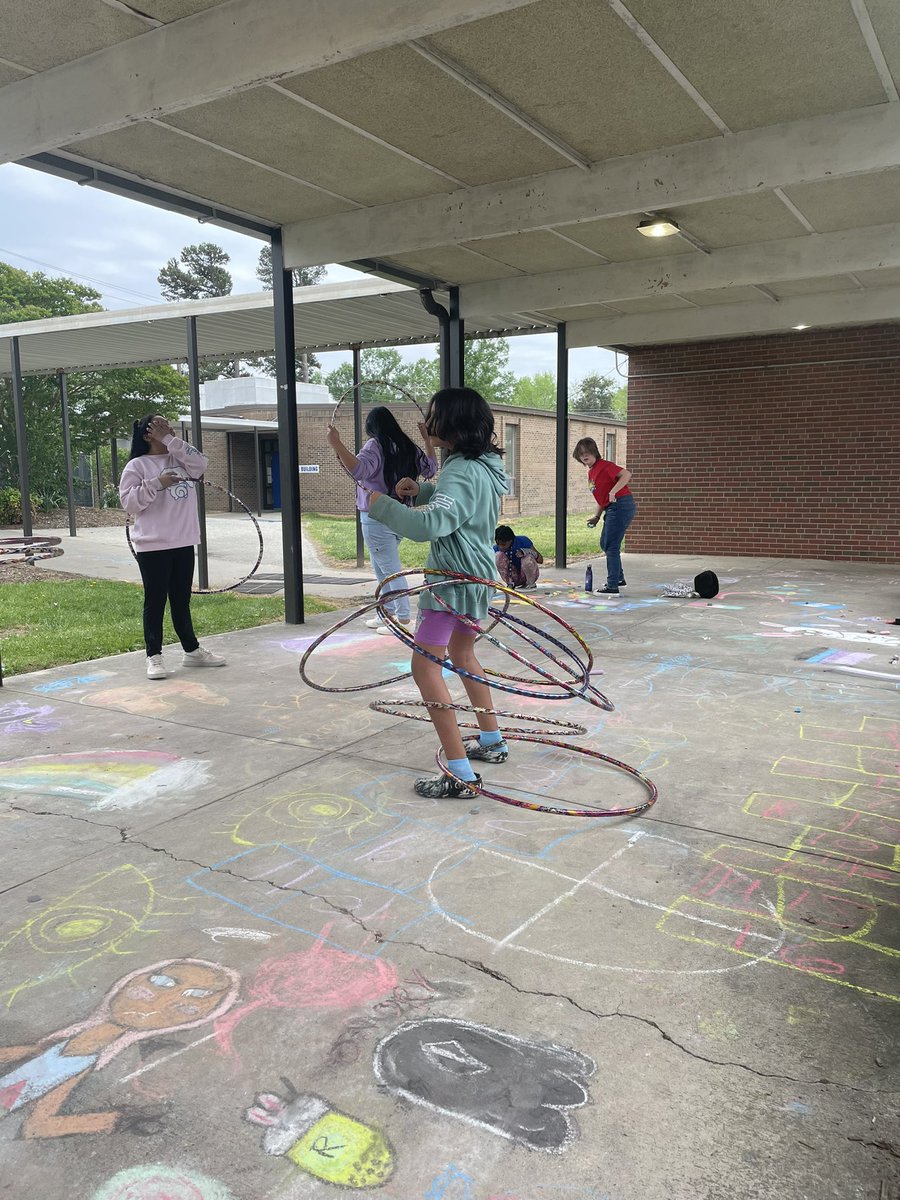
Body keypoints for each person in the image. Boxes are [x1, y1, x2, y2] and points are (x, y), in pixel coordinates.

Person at [367, 387, 510, 798]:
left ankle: (460, 774)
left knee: (425, 668)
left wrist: (380, 504)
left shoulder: (458, 469)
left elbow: (431, 525)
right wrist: (423, 492)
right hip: (476, 577)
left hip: (451, 582)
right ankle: (491, 741)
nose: (426, 423)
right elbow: (463, 506)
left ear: (452, 423)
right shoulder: (483, 464)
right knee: (463, 656)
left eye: (433, 415)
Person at [0, 959, 239, 1138]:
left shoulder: (85, 1061)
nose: (163, 999)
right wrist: (121, 1118)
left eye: (197, 995)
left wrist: (121, 1119)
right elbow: (37, 1125)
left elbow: (38, 1124)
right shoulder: (69, 1051)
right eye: (162, 982)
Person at [119, 414, 226, 679]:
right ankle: (154, 656)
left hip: (183, 541)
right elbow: (129, 504)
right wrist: (158, 483)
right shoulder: (136, 466)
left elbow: (201, 463)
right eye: (160, 425)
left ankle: (192, 650)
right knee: (155, 601)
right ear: (147, 434)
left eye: (168, 425)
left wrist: (169, 439)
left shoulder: (180, 458)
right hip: (153, 545)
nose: (168, 428)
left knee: (181, 600)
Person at [326, 407, 437, 635]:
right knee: (381, 567)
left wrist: (336, 443)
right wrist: (427, 441)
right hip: (400, 515)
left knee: (389, 569)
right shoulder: (406, 445)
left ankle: (402, 618)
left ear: (372, 427)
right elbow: (431, 469)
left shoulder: (375, 445)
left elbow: (358, 471)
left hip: (376, 515)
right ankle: (386, 612)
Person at [573, 436, 636, 595]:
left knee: (611, 545)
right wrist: (597, 516)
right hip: (611, 507)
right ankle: (618, 578)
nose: (584, 456)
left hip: (620, 505)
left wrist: (613, 491)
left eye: (587, 452)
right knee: (605, 543)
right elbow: (603, 498)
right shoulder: (592, 472)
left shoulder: (605, 466)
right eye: (581, 454)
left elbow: (626, 474)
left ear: (594, 452)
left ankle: (612, 586)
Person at [494, 525, 543, 590]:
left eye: (503, 544)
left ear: (511, 540)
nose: (501, 547)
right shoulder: (496, 548)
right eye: (498, 544)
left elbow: (540, 560)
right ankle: (510, 583)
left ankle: (530, 584)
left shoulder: (523, 541)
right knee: (498, 555)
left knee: (527, 558)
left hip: (527, 575)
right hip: (513, 576)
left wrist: (528, 552)